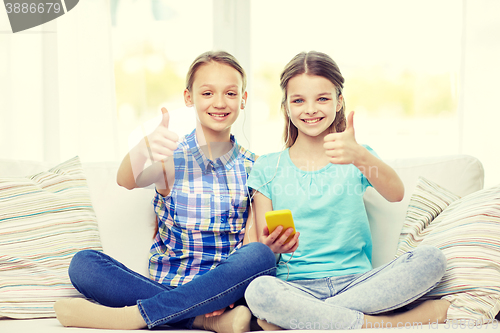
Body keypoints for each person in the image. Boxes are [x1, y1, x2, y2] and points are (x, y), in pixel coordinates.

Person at [54, 51, 276, 331]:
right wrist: (144, 146)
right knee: (83, 264)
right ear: (188, 98)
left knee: (260, 256)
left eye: (230, 94)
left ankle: (135, 316)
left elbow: (250, 243)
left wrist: (232, 288)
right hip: (165, 285)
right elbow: (127, 179)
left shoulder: (255, 166)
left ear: (243, 100)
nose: (219, 102)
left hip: (223, 290)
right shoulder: (173, 158)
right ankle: (201, 319)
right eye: (207, 93)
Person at [244, 51, 450, 330]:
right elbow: (255, 251)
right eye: (298, 100)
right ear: (286, 106)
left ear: (339, 102)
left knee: (432, 259)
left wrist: (359, 156)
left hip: (359, 283)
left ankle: (308, 320)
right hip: (297, 287)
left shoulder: (357, 156)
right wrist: (272, 249)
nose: (311, 109)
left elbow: (396, 192)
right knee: (258, 291)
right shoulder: (267, 167)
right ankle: (374, 324)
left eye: (322, 99)